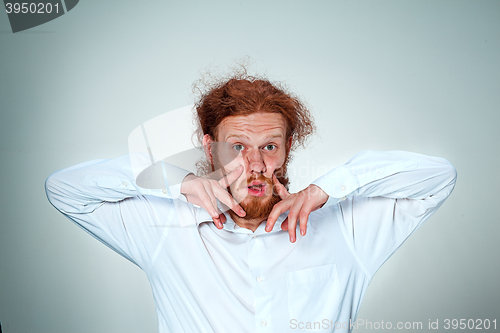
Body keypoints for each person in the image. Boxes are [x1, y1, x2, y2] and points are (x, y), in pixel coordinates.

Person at [45, 73, 457, 333]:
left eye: (269, 146)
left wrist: (327, 188)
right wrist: (179, 182)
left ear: (287, 149)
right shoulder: (165, 231)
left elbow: (438, 178)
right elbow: (64, 189)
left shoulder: (344, 229)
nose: (255, 164)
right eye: (237, 147)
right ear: (211, 149)